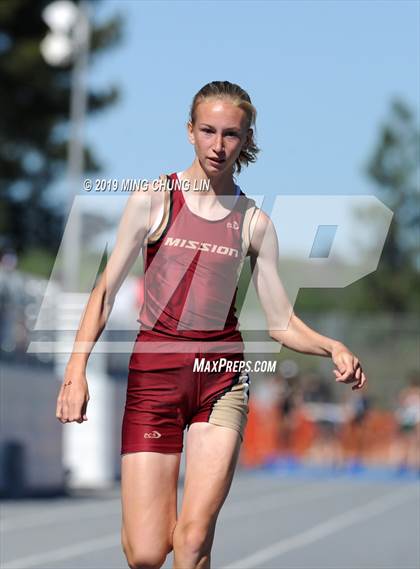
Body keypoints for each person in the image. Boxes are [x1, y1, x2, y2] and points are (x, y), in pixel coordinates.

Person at [55, 80, 367, 569]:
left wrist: (332, 346)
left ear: (246, 140)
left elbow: (280, 321)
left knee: (195, 538)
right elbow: (104, 291)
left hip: (220, 380)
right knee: (146, 553)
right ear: (190, 132)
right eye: (208, 131)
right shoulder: (153, 200)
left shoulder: (253, 222)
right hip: (154, 379)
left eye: (230, 134)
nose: (218, 145)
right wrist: (76, 372)